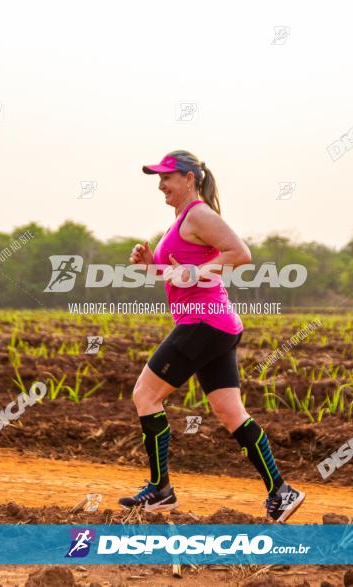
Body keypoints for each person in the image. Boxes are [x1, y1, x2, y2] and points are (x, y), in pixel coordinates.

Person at [117, 149, 306, 523]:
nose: (160, 185)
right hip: (215, 325)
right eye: (159, 178)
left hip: (203, 323)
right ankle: (282, 493)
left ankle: (160, 491)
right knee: (230, 412)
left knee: (145, 395)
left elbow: (240, 253)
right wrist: (150, 266)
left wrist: (195, 271)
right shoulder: (181, 220)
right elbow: (179, 276)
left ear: (189, 178)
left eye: (167, 177)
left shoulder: (200, 214)